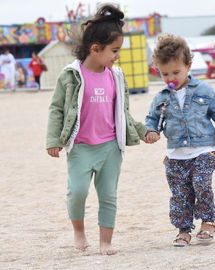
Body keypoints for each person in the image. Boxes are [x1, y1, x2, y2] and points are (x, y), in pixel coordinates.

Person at [46, 4, 154, 255]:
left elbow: (122, 113)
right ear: (95, 48)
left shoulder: (116, 76)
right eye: (114, 50)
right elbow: (57, 109)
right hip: (81, 147)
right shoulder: (70, 75)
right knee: (77, 193)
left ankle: (106, 242)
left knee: (108, 196)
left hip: (110, 147)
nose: (118, 56)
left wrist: (142, 131)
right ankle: (79, 231)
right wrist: (53, 139)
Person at [145, 33, 215, 247]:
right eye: (165, 74)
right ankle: (184, 230)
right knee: (180, 193)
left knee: (202, 184)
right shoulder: (161, 97)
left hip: (203, 150)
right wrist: (150, 131)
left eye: (176, 72)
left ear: (188, 65)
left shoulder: (205, 90)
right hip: (175, 154)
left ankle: (208, 221)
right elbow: (152, 120)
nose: (171, 78)